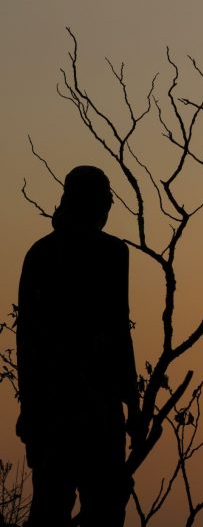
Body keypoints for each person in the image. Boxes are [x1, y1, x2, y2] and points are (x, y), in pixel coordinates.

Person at [16, 165, 139, 527]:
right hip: (75, 410)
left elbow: (118, 332)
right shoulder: (104, 253)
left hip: (69, 409)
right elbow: (118, 332)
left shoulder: (46, 253)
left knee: (72, 509)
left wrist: (132, 404)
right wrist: (132, 404)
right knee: (75, 510)